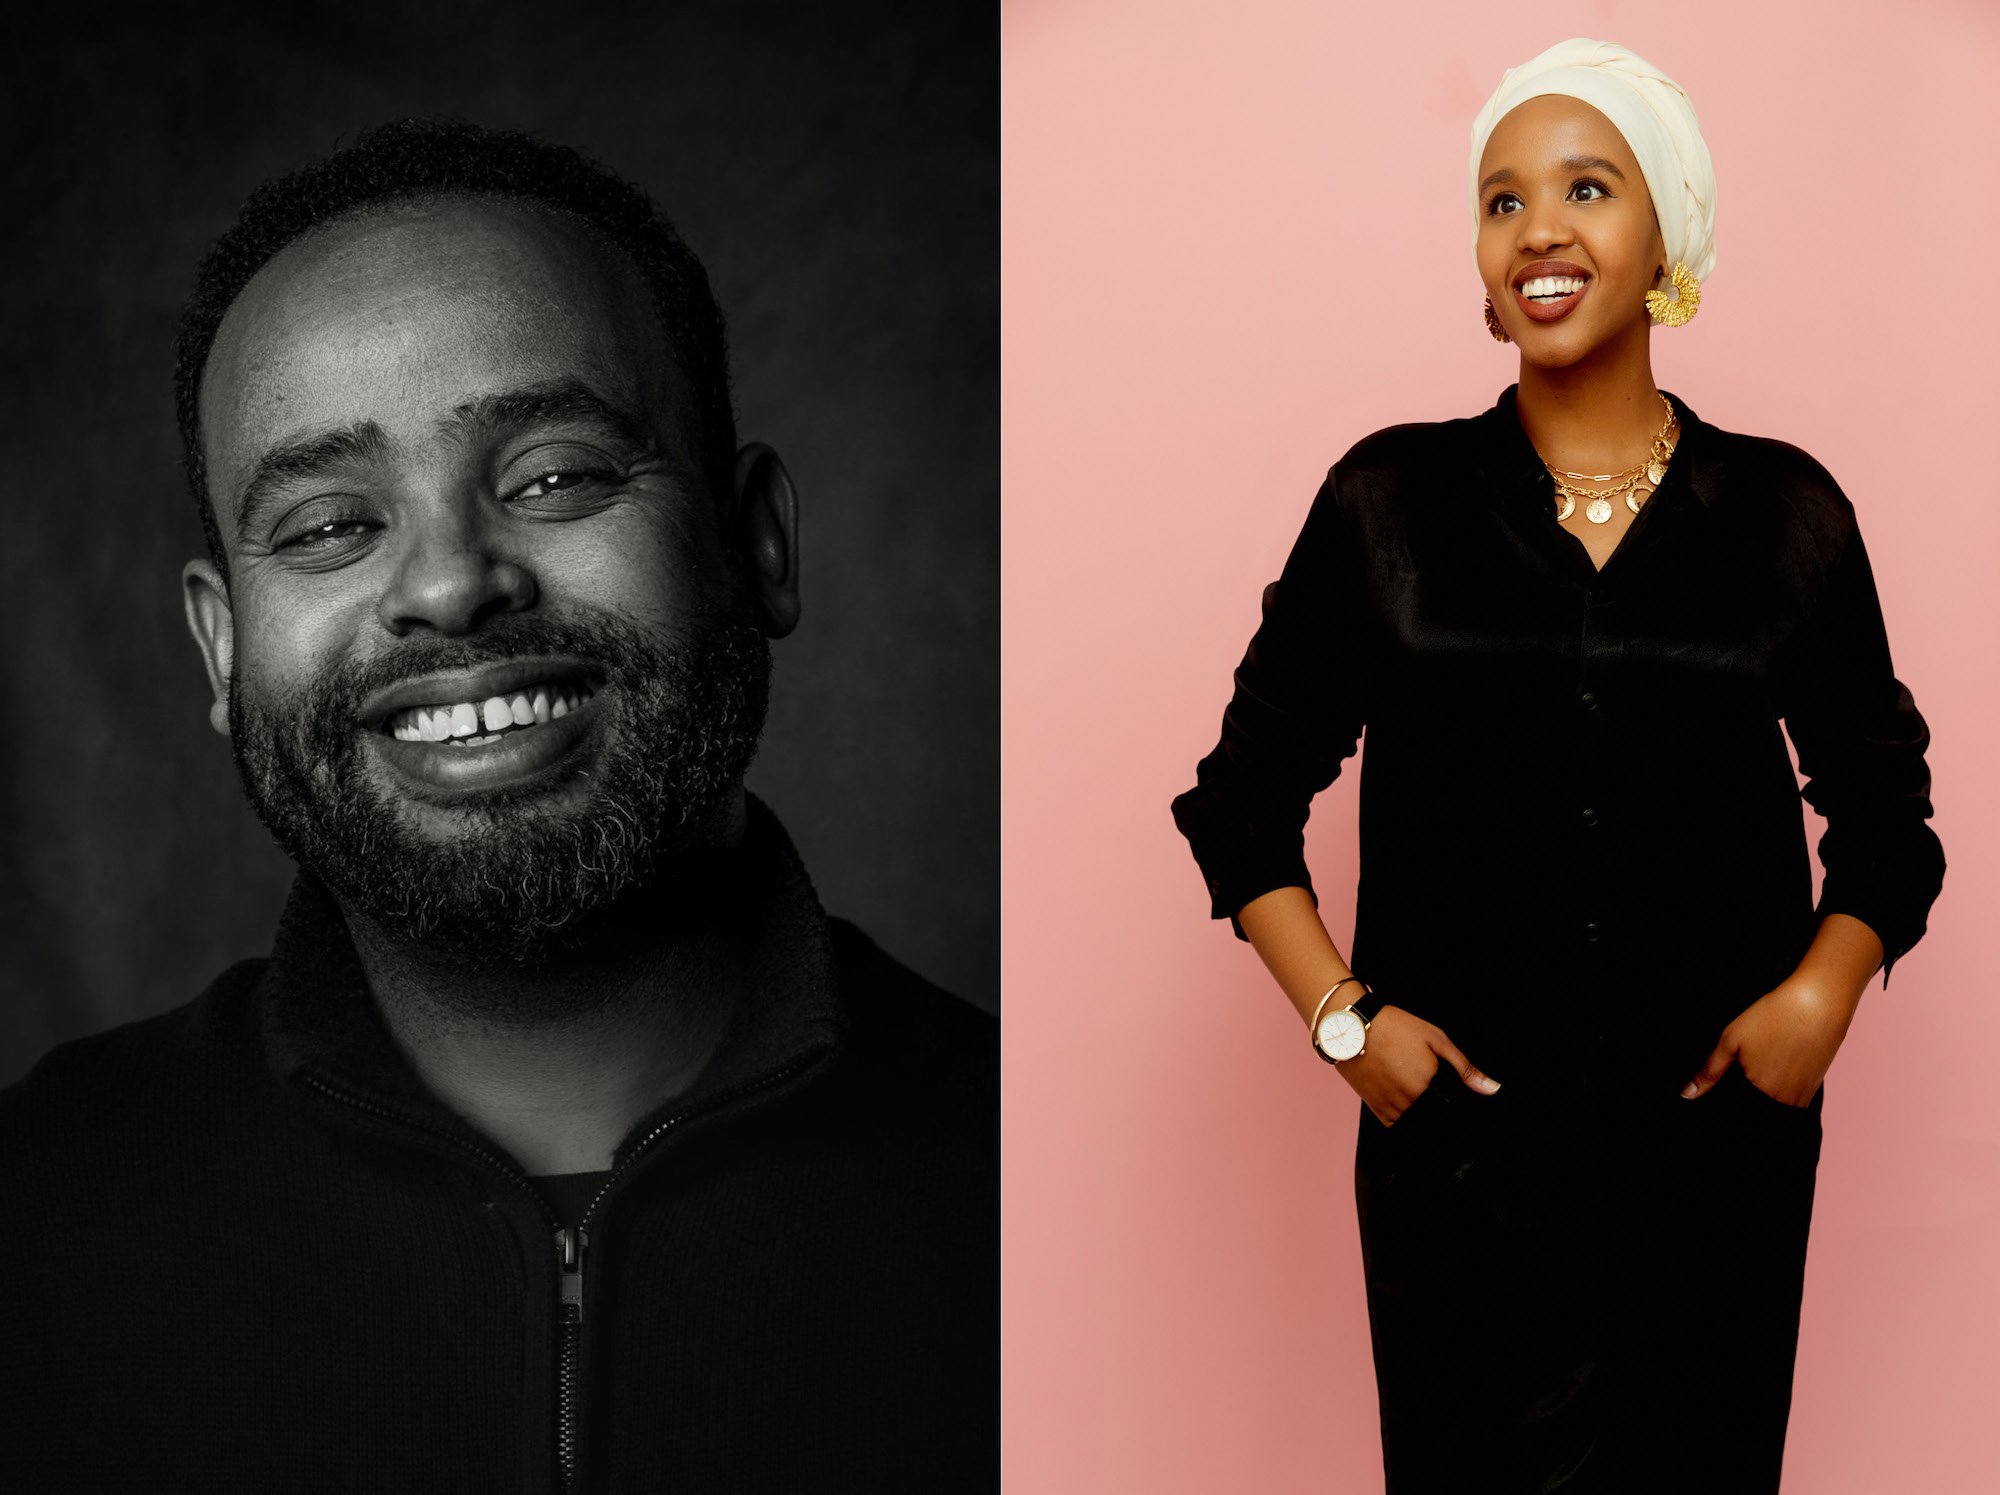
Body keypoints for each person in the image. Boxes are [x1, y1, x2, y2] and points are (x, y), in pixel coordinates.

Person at [0, 119, 997, 1492]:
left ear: (755, 541)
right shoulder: (38, 1218)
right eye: (330, 524)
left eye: (555, 477)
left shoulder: (1046, 1193)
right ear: (222, 651)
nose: (452, 583)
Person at [1170, 39, 1943, 1495]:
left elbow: (1888, 820)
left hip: (1719, 1156)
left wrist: (1819, 1001)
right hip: (1461, 1161)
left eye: (1589, 188)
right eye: (1502, 197)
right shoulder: (1385, 504)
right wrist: (1348, 1028)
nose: (1540, 228)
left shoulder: (1787, 515)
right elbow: (1241, 807)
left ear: (1666, 237)